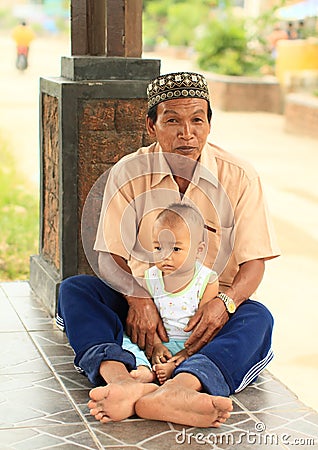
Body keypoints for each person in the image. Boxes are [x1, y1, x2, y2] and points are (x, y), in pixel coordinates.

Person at [57, 71, 280, 428]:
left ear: (209, 124)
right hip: (143, 306)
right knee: (75, 291)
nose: (186, 133)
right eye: (172, 120)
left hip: (205, 314)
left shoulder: (239, 176)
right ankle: (120, 380)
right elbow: (109, 256)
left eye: (197, 120)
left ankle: (180, 387)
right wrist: (139, 300)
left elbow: (254, 264)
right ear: (151, 126)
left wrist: (223, 305)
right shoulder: (128, 172)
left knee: (258, 319)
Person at [123, 202, 219, 384]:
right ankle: (144, 368)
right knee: (126, 339)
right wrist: (157, 345)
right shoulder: (151, 277)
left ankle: (175, 371)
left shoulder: (207, 280)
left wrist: (187, 351)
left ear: (198, 250)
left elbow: (204, 323)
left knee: (210, 352)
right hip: (159, 342)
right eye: (158, 248)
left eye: (176, 249)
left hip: (190, 345)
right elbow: (149, 318)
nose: (165, 255)